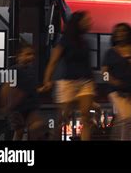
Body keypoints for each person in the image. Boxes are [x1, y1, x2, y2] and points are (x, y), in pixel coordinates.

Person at [40, 11, 95, 141]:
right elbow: (53, 61)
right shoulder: (65, 40)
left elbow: (88, 65)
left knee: (86, 117)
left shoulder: (85, 42)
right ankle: (54, 137)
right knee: (63, 117)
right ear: (78, 23)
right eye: (86, 20)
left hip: (85, 82)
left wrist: (93, 85)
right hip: (68, 82)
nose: (89, 23)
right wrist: (47, 80)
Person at [101, 23, 131, 140]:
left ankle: (115, 137)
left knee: (127, 119)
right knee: (126, 117)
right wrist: (112, 81)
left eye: (124, 31)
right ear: (115, 35)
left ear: (129, 34)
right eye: (118, 31)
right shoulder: (110, 52)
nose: (121, 33)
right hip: (115, 90)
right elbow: (104, 73)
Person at [1, 43, 44, 140]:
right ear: (19, 56)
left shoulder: (31, 71)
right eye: (28, 54)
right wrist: (6, 105)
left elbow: (32, 88)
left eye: (33, 54)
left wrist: (41, 89)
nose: (31, 57)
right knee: (19, 131)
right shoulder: (14, 69)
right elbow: (6, 87)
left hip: (32, 106)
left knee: (35, 127)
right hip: (18, 107)